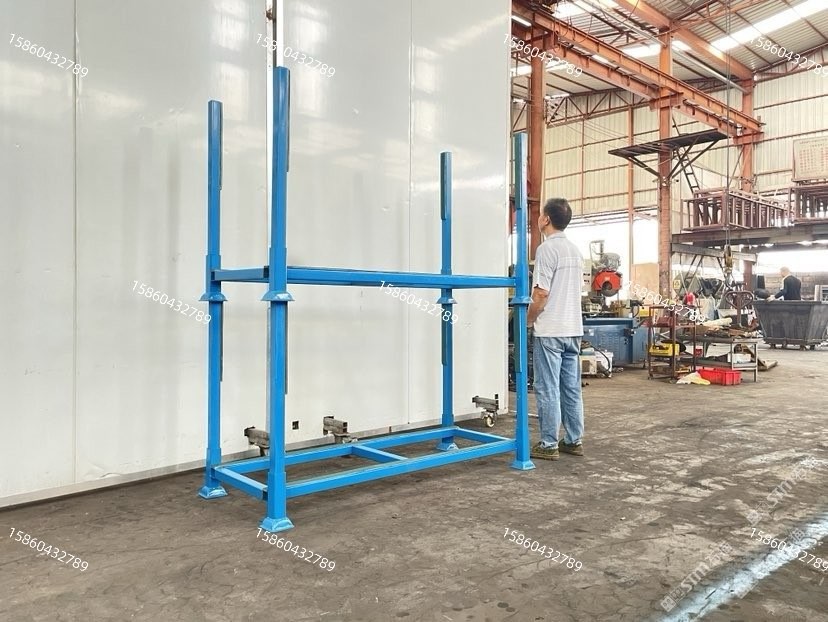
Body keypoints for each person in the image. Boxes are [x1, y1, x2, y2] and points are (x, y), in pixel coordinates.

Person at [526, 198, 585, 461]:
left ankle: (549, 443)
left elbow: (541, 293)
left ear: (546, 219)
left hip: (550, 330)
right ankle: (573, 440)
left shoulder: (547, 249)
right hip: (573, 329)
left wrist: (528, 320)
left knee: (547, 387)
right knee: (570, 388)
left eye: (540, 215)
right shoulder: (575, 251)